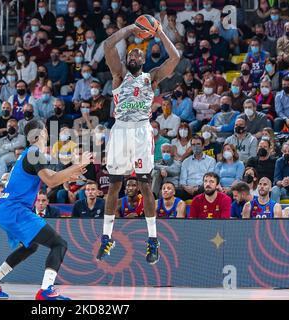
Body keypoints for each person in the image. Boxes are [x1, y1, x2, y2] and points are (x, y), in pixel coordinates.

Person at [0, 119, 92, 300]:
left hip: (6, 208)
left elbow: (52, 176)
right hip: (15, 209)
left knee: (30, 246)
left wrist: (72, 173)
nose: (48, 133)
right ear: (41, 133)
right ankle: (46, 291)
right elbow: (52, 181)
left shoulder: (29, 153)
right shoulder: (35, 153)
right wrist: (77, 165)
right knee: (59, 244)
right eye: (46, 130)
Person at [96, 20, 180, 263]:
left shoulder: (151, 77)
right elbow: (108, 45)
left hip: (142, 130)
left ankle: (153, 240)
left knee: (144, 184)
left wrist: (161, 32)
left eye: (138, 53)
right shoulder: (119, 74)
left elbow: (174, 58)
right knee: (114, 184)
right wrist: (130, 30)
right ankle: (106, 238)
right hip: (120, 129)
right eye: (131, 52)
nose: (133, 55)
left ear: (143, 60)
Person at [178, 135, 216, 200]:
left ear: (203, 146)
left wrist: (197, 188)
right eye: (193, 145)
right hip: (187, 189)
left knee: (207, 188)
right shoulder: (186, 161)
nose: (195, 147)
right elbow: (182, 180)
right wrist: (186, 188)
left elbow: (210, 178)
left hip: (202, 188)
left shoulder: (211, 161)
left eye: (198, 144)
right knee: (174, 191)